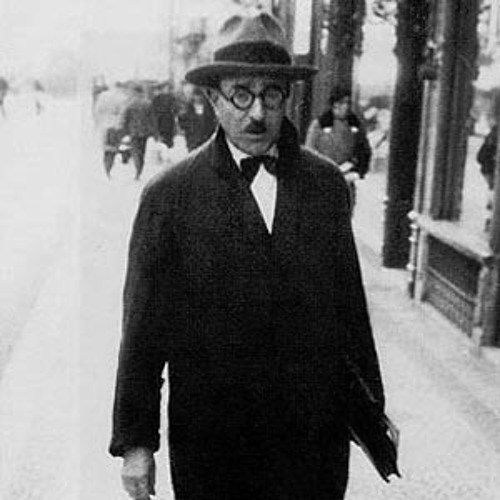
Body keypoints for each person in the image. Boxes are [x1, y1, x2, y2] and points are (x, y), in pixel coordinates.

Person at [110, 11, 388, 500]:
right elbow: (143, 330)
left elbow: (349, 309)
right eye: (241, 94)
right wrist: (137, 443)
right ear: (214, 98)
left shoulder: (325, 186)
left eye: (271, 94)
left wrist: (372, 412)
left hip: (312, 442)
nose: (257, 112)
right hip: (214, 444)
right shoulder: (170, 195)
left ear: (288, 98)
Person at [305, 86, 372, 213]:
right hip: (322, 181)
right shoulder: (319, 124)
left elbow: (364, 151)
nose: (344, 107)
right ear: (333, 104)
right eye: (341, 103)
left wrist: (358, 172)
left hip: (346, 179)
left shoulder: (355, 125)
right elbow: (310, 151)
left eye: (347, 103)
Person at [93, 82, 130, 178]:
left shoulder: (103, 96)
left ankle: (106, 168)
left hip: (104, 124)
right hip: (115, 125)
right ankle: (109, 168)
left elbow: (97, 110)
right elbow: (123, 113)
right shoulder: (123, 97)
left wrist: (97, 122)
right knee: (113, 149)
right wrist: (122, 126)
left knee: (106, 149)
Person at [121, 84, 155, 180]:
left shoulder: (130, 104)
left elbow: (125, 118)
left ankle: (138, 169)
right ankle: (139, 169)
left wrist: (124, 131)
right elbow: (152, 119)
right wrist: (154, 132)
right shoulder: (147, 103)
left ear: (135, 92)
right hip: (144, 132)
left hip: (133, 131)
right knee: (142, 151)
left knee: (135, 151)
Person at [177, 86, 217, 151]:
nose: (198, 98)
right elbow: (182, 123)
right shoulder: (188, 109)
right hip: (193, 141)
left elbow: (212, 124)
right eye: (196, 95)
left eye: (200, 95)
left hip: (206, 141)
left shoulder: (209, 109)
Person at [150, 80, 177, 149]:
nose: (168, 90)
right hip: (164, 121)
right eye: (166, 88)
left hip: (166, 121)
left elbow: (174, 109)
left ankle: (166, 147)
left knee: (165, 139)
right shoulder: (159, 98)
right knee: (166, 139)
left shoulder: (170, 98)